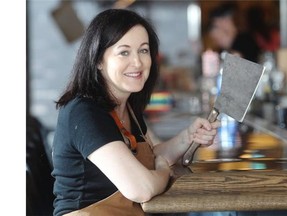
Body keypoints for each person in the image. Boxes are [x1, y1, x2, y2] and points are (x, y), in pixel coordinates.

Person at [52, 9, 220, 216]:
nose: (138, 62)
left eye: (143, 50)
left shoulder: (127, 107)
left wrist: (188, 137)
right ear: (98, 60)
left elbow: (148, 158)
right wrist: (162, 172)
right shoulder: (84, 112)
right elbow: (141, 189)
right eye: (124, 52)